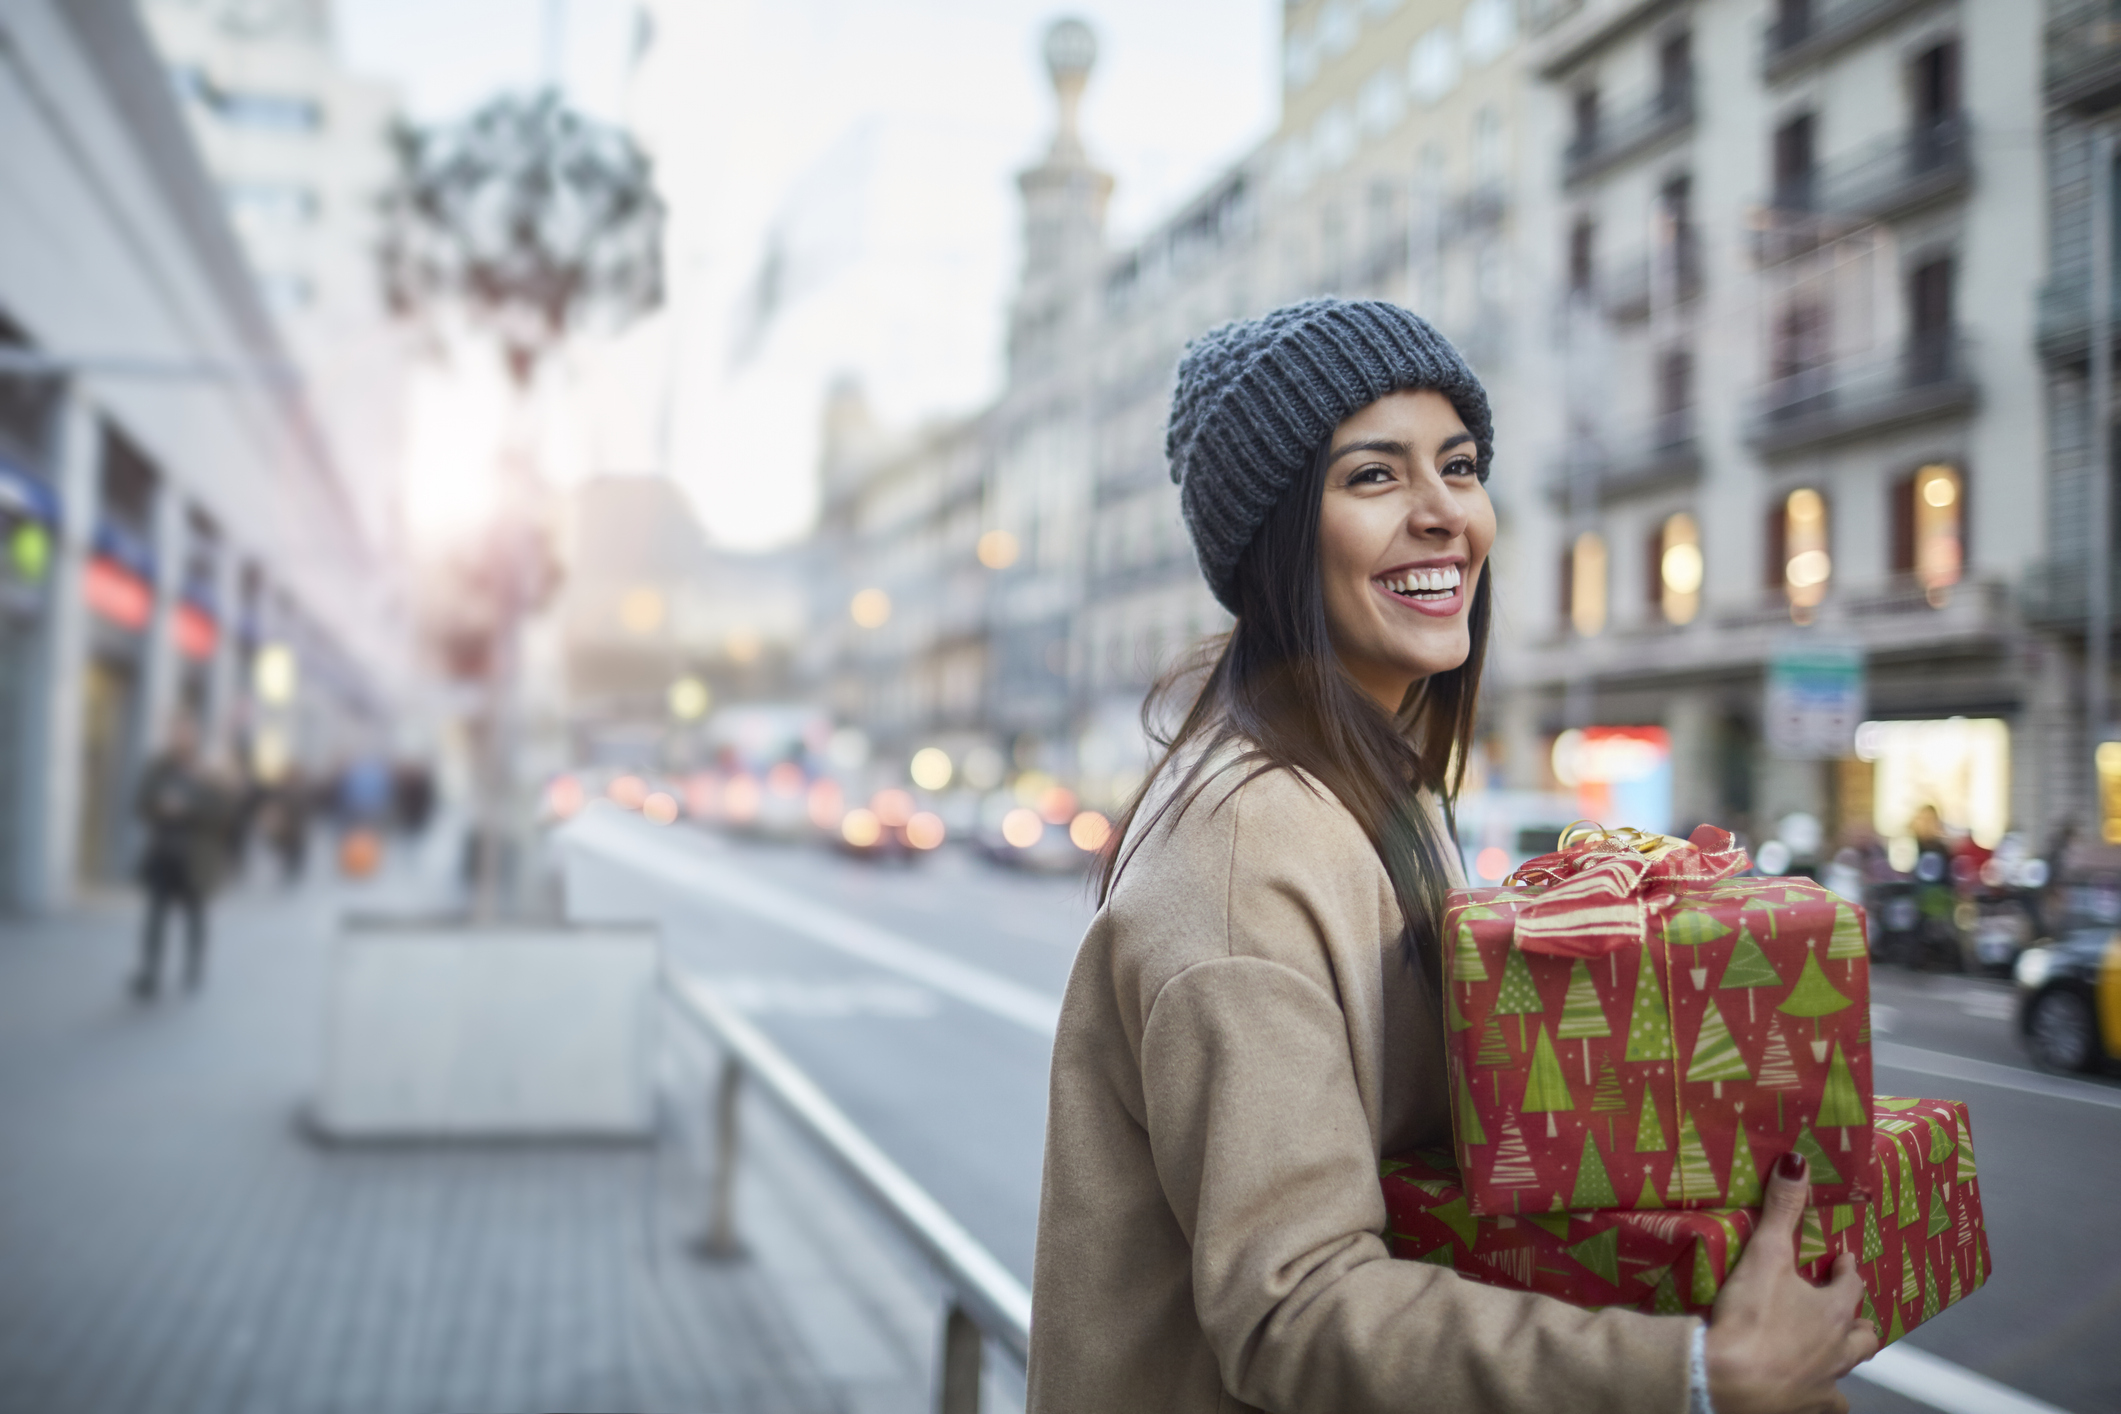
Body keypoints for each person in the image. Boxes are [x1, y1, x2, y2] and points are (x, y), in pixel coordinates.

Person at [1026, 300, 1877, 1414]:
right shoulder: (1245, 859)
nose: (1444, 516)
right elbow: (1296, 1308)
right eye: (1374, 477)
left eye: (1460, 466)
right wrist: (1697, 1376)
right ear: (1277, 538)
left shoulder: (1385, 785)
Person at [131, 717, 228, 997]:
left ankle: (193, 968)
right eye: (175, 733)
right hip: (163, 852)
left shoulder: (209, 770)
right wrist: (161, 808)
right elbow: (140, 804)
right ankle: (150, 973)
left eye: (185, 733)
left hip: (196, 857)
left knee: (195, 917)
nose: (180, 738)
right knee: (155, 916)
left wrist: (188, 808)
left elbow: (223, 812)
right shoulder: (158, 767)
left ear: (194, 737)